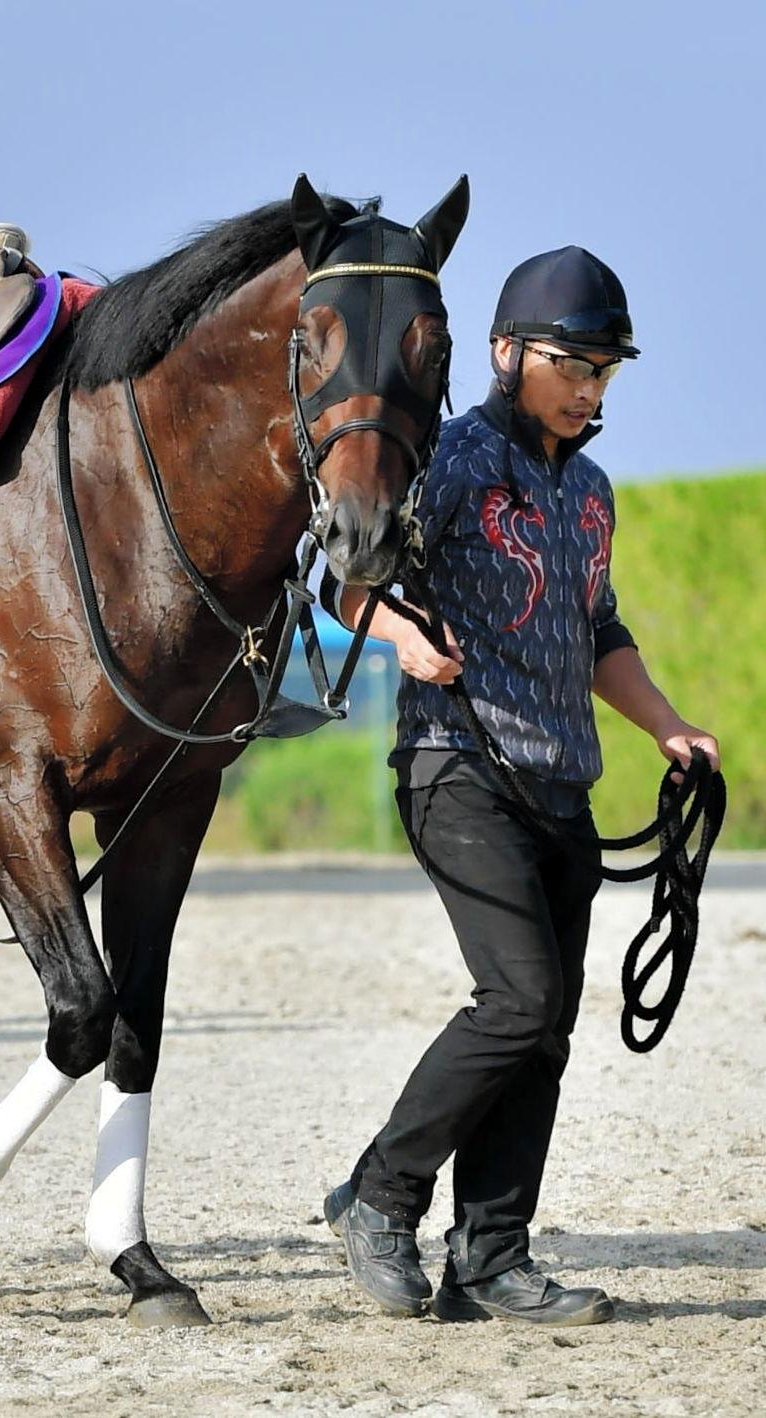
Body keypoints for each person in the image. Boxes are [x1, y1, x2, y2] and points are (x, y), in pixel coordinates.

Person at [319, 246, 721, 1325]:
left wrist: (667, 725)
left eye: (603, 369)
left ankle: (489, 1257)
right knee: (518, 998)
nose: (588, 386)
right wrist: (400, 635)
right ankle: (378, 1193)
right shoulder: (446, 460)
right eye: (570, 362)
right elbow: (344, 579)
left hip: (563, 789)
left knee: (541, 1035)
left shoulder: (587, 492)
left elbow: (597, 631)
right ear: (504, 354)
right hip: (458, 768)